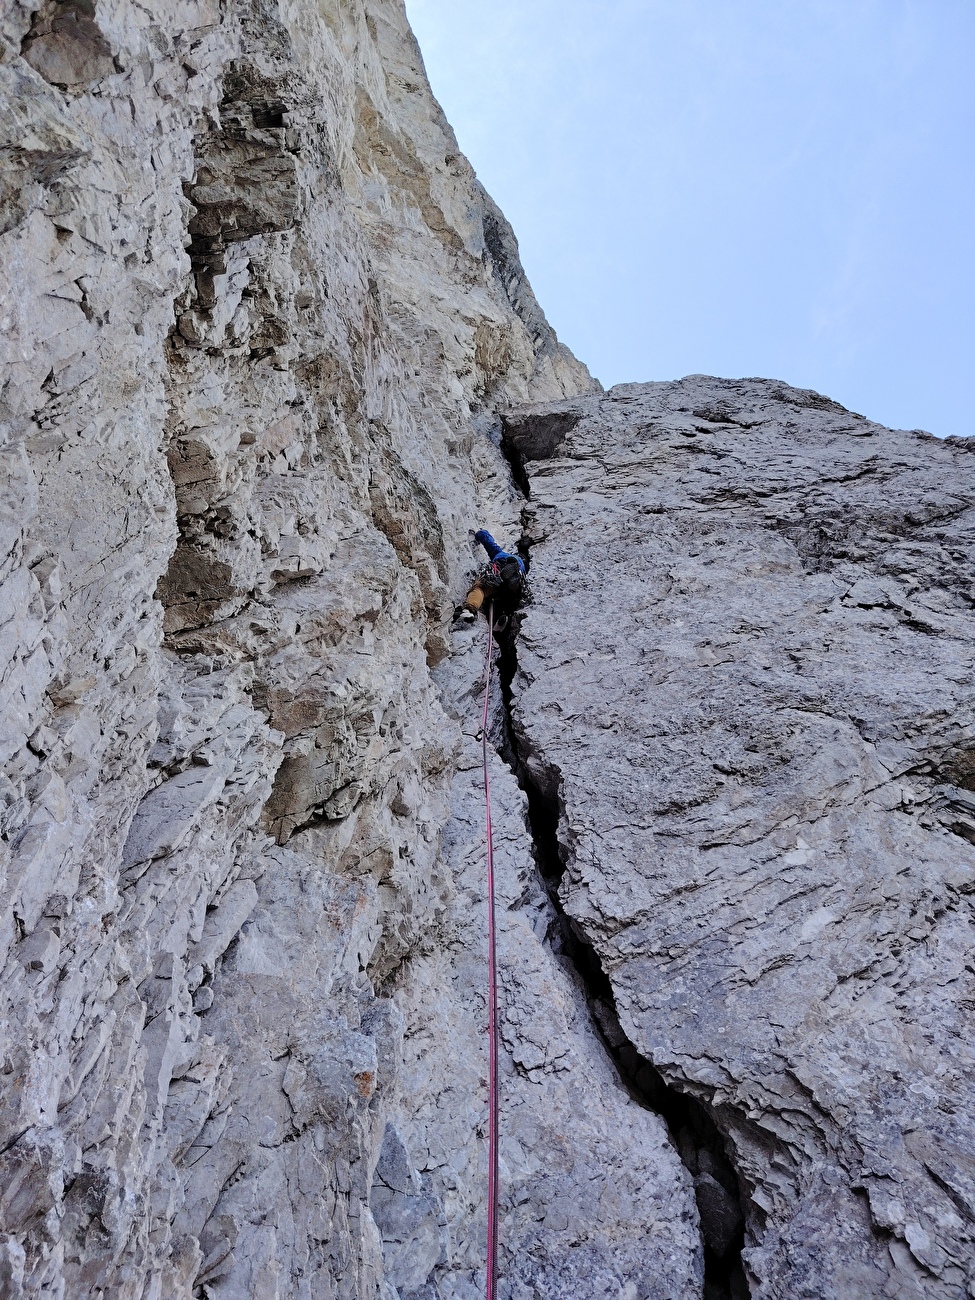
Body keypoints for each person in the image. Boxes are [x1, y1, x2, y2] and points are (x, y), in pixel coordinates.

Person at [463, 529, 526, 623]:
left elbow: (488, 540)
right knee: (513, 593)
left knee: (481, 588)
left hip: (501, 564)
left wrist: (479, 534)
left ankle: (470, 608)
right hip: (518, 573)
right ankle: (506, 613)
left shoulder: (499, 552)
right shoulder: (522, 566)